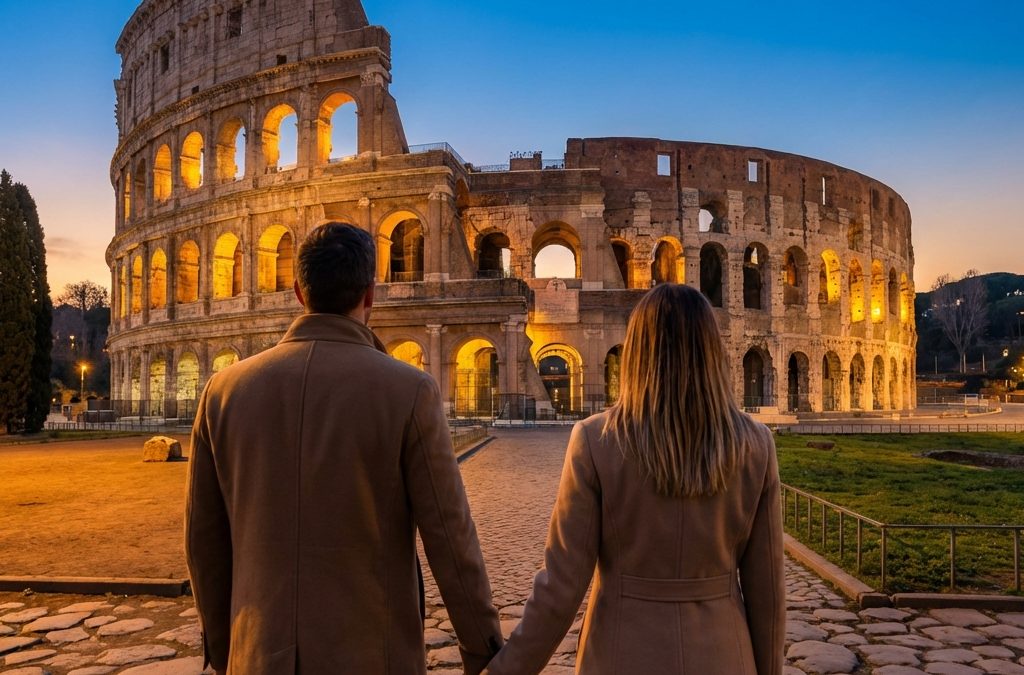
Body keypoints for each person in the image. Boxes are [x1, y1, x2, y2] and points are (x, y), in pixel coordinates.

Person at [185, 222, 502, 675]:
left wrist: (225, 647)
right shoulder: (408, 390)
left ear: (299, 291)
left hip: (257, 654)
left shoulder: (223, 391)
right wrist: (483, 648)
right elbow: (450, 539)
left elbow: (204, 542)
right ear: (370, 294)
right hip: (373, 653)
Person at [483, 283, 784, 675]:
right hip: (723, 652)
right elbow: (768, 595)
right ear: (713, 352)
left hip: (620, 651)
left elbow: (561, 588)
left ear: (637, 352)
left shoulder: (596, 440)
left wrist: (504, 670)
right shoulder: (755, 445)